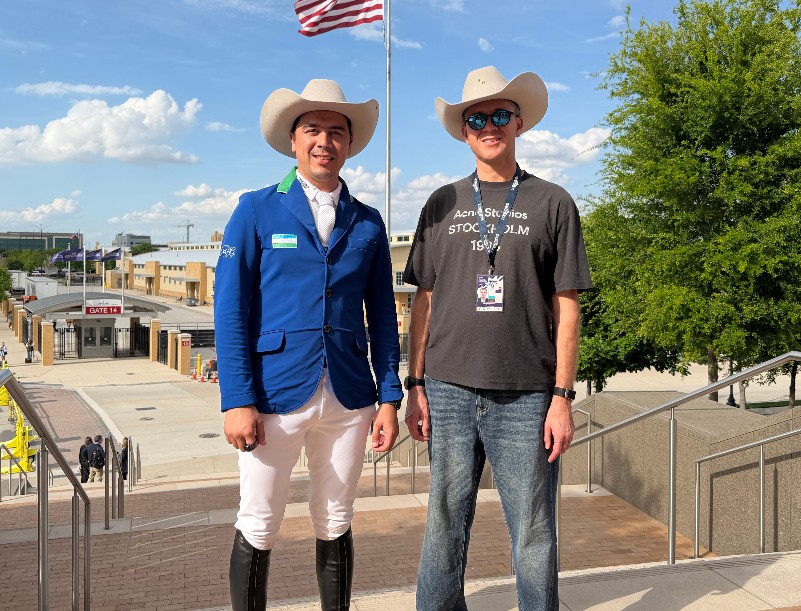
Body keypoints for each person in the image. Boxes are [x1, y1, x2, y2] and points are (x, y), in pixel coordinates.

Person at [403, 66, 593, 611]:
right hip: (447, 390)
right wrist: (414, 384)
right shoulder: (440, 203)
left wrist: (562, 397)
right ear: (464, 131)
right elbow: (425, 301)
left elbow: (567, 306)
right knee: (442, 528)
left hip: (528, 396)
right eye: (477, 118)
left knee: (534, 535)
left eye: (501, 115)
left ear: (520, 122)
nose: (490, 125)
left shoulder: (552, 202)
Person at [215, 78, 403, 611]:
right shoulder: (255, 210)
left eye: (337, 131)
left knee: (336, 519)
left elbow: (383, 317)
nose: (325, 140)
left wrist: (388, 397)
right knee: (259, 521)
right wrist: (236, 399)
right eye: (313, 129)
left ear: (349, 143)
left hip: (348, 397)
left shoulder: (367, 221)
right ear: (293, 141)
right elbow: (230, 312)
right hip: (273, 395)